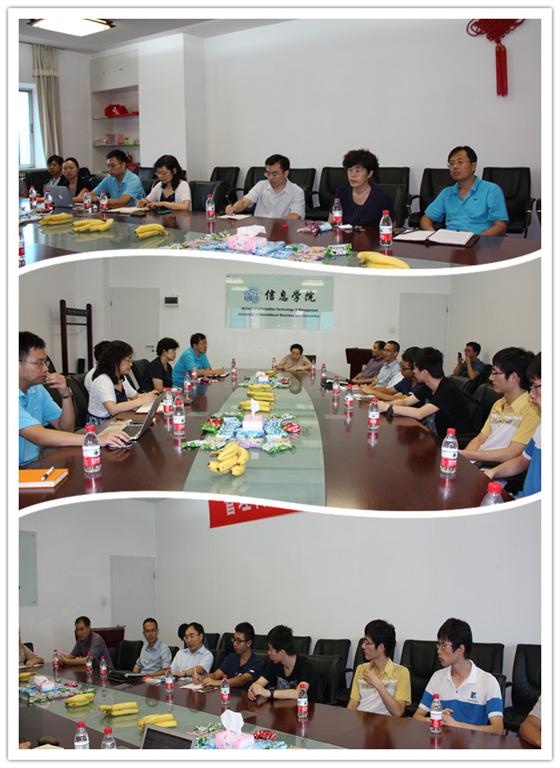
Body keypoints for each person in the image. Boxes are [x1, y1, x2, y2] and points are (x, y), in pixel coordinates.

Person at [19, 331, 130, 466]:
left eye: (45, 362)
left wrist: (66, 394)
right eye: (39, 363)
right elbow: (39, 436)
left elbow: (65, 428)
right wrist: (96, 440)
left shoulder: (37, 389)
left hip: (36, 460)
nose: (46, 368)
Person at [413, 618, 504, 734]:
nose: (439, 651)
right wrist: (437, 719)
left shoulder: (488, 682)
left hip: (474, 743)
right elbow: (417, 717)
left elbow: (498, 729)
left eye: (444, 645)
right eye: (439, 645)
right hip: (442, 741)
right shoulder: (437, 677)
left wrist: (455, 725)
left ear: (460, 649)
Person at [460, 347, 540, 465]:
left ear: (513, 377)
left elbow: (512, 452)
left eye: (495, 373)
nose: (490, 378)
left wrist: (469, 455)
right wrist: (463, 461)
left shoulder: (532, 409)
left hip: (495, 468)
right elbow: (480, 439)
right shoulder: (499, 403)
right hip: (477, 461)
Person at [377, 347, 471, 438]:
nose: (413, 371)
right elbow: (405, 401)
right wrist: (380, 405)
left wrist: (387, 407)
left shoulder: (447, 389)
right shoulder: (429, 386)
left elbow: (419, 413)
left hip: (452, 441)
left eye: (415, 368)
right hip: (434, 435)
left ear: (424, 372)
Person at [483, 353, 541, 496]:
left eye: (536, 387)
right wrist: (492, 472)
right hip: (522, 498)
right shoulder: (542, 428)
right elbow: (522, 461)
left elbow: (513, 453)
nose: (532, 395)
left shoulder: (531, 412)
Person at [420, 146, 508, 236]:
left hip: (480, 241)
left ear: (473, 166)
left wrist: (476, 240)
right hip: (450, 241)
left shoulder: (491, 190)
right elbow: (425, 219)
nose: (455, 167)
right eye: (451, 163)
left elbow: (500, 226)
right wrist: (434, 236)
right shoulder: (446, 193)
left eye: (460, 162)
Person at [347, 620, 411, 716]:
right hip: (360, 721)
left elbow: (398, 712)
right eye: (364, 641)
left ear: (381, 647)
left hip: (385, 723)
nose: (363, 646)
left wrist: (377, 683)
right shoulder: (361, 669)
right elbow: (352, 705)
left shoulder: (401, 672)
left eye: (367, 642)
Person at [88, 340, 156, 424]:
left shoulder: (120, 377)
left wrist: (151, 396)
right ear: (115, 361)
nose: (131, 364)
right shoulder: (103, 379)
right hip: (101, 425)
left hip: (119, 419)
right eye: (128, 360)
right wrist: (142, 400)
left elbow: (135, 396)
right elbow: (112, 409)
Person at [248, 625, 318, 702]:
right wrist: (253, 689)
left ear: (281, 652)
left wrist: (269, 693)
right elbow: (259, 683)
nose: (268, 653)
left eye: (270, 650)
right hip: (280, 707)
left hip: (303, 708)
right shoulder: (274, 663)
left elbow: (299, 693)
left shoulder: (305, 665)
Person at [225, 154, 305, 220]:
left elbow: (295, 216)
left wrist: (273, 224)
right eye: (268, 174)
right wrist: (234, 208)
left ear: (285, 173)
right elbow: (245, 201)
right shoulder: (261, 185)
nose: (270, 178)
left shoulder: (297, 191)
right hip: (259, 228)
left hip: (282, 229)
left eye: (274, 174)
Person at [329, 149, 395, 228]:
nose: (353, 175)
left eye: (358, 171)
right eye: (350, 170)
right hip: (345, 235)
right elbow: (331, 223)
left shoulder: (381, 198)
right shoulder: (341, 192)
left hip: (373, 236)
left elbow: (391, 228)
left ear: (369, 174)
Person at [199, 622, 265, 690]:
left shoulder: (258, 662)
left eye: (239, 641)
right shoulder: (231, 657)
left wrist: (217, 682)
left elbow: (242, 680)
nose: (235, 644)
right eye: (234, 640)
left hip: (245, 695)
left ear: (249, 643)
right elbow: (215, 675)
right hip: (227, 694)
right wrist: (203, 677)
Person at [74, 149, 144, 207]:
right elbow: (92, 194)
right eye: (108, 166)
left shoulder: (134, 180)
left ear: (123, 165)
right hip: (116, 213)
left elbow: (122, 202)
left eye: (113, 166)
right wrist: (74, 199)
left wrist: (98, 199)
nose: (109, 169)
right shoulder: (109, 178)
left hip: (134, 216)